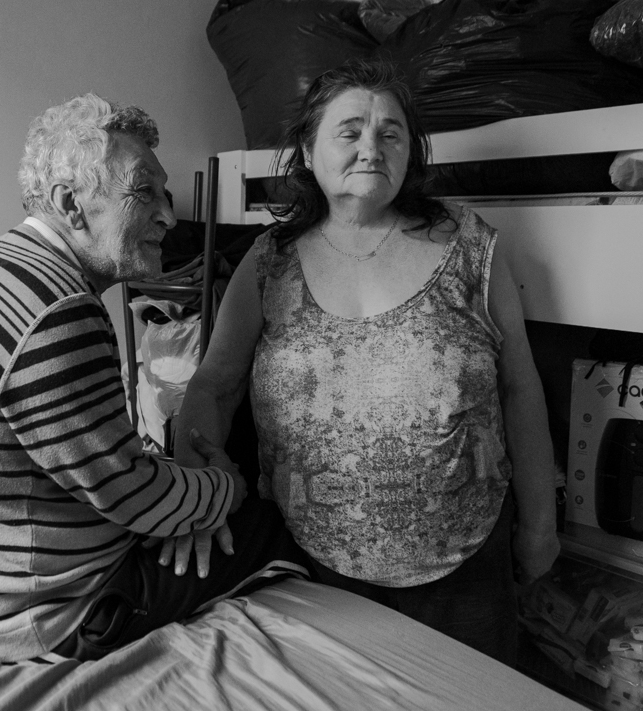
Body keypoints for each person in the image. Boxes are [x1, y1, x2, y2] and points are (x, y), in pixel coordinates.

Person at [0, 93, 308, 663]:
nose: (168, 216)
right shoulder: (57, 312)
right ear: (71, 204)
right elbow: (129, 494)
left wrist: (177, 496)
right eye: (144, 192)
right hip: (35, 616)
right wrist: (221, 488)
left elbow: (102, 471)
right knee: (269, 526)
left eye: (164, 193)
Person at [172, 60, 560, 666]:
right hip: (311, 566)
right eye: (350, 132)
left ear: (410, 152)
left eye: (390, 133)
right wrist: (191, 497)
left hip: (465, 564)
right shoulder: (269, 262)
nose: (371, 148)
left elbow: (520, 388)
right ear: (308, 150)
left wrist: (540, 525)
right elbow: (215, 386)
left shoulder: (471, 246)